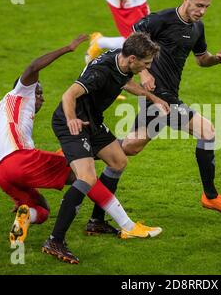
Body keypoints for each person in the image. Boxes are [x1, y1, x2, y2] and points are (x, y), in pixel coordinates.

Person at [86, 0, 221, 232]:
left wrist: (217, 59)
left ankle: (82, 169)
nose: (201, 11)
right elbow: (130, 43)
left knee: (129, 148)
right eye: (198, 5)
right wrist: (143, 74)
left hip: (162, 99)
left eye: (206, 7)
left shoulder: (197, 28)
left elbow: (201, 59)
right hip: (161, 99)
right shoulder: (161, 20)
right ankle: (210, 196)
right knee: (208, 132)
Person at [41, 32, 171, 264]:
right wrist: (71, 119)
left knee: (119, 161)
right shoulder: (99, 72)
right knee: (87, 178)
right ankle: (55, 240)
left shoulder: (121, 64)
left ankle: (96, 221)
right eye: (146, 63)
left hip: (93, 121)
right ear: (132, 58)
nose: (148, 68)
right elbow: (69, 94)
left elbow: (125, 82)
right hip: (74, 123)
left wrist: (151, 97)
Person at [0, 35, 88, 246]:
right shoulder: (21, 93)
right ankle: (112, 220)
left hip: (0, 174)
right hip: (17, 160)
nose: (41, 98)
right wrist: (68, 48)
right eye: (39, 93)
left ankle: (24, 218)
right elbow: (34, 66)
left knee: (42, 210)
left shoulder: (3, 108)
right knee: (81, 168)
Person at [85, 0, 195, 63]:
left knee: (145, 39)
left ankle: (99, 42)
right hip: (124, 1)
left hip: (139, 0)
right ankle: (100, 43)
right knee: (138, 42)